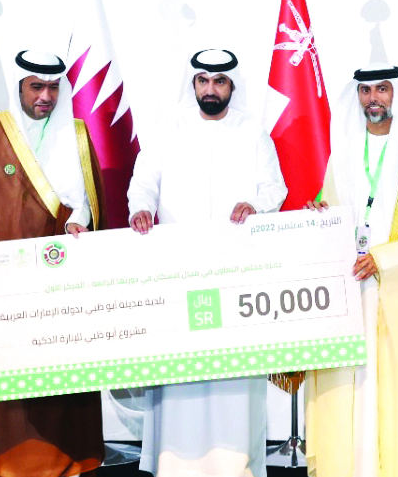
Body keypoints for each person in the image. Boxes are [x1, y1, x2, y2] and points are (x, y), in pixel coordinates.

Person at [127, 49, 286, 477]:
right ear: (193, 84)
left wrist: (254, 205)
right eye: (203, 81)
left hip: (236, 272)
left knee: (234, 377)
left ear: (232, 86)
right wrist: (140, 210)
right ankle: (175, 464)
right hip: (178, 270)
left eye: (219, 82)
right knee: (180, 377)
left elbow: (275, 188)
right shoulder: (169, 128)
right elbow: (143, 184)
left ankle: (234, 465)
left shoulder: (252, 131)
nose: (210, 89)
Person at [0, 50, 105, 476]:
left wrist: (78, 222)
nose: (45, 97)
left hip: (57, 282)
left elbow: (87, 202)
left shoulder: (75, 135)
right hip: (1, 284)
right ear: (20, 86)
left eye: (53, 88)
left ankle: (62, 459)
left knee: (58, 371)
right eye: (37, 87)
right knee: (5, 375)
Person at [304, 62, 398, 477]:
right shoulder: (345, 150)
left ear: (395, 94)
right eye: (366, 91)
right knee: (351, 386)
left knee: (393, 388)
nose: (373, 99)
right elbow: (334, 208)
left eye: (382, 89)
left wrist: (383, 260)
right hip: (352, 289)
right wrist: (320, 216)